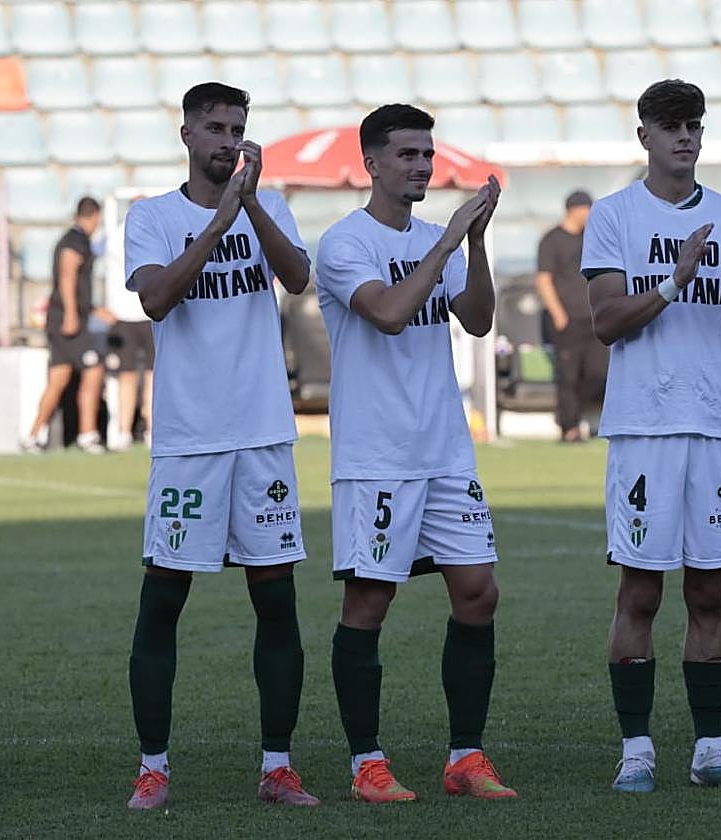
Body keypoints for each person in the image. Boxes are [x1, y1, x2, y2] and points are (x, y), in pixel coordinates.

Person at [122, 82, 319, 810]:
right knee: (163, 602)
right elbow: (155, 297)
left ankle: (277, 766)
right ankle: (153, 767)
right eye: (215, 128)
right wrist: (219, 222)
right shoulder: (152, 217)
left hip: (262, 434)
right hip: (190, 440)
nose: (228, 141)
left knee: (277, 603)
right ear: (186, 134)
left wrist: (252, 205)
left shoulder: (268, 205)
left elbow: (297, 277)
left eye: (237, 129)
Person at [315, 104, 516, 803]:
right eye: (407, 155)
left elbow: (479, 319)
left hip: (445, 451)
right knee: (369, 602)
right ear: (371, 163)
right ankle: (366, 764)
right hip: (376, 457)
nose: (422, 166)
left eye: (427, 155)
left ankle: (466, 757)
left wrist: (475, 244)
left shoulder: (441, 240)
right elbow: (390, 313)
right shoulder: (344, 243)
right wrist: (450, 241)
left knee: (478, 592)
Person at [582, 79, 721, 794]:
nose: (684, 136)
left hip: (716, 425)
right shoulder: (614, 216)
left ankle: (710, 750)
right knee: (639, 591)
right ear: (645, 137)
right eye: (670, 126)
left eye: (693, 124)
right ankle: (637, 750)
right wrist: (674, 279)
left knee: (710, 593)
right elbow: (606, 322)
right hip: (644, 428)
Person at [23, 197, 113, 453]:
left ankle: (33, 436)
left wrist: (93, 310)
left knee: (59, 378)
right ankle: (87, 434)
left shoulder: (76, 239)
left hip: (62, 318)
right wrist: (72, 314)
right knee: (94, 368)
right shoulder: (75, 241)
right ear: (94, 216)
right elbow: (67, 276)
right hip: (67, 321)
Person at [536, 190, 609, 442]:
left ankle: (581, 417)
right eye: (586, 209)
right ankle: (569, 428)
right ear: (574, 210)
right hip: (566, 321)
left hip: (595, 319)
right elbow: (543, 279)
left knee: (598, 373)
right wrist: (558, 315)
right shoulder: (551, 240)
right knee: (567, 376)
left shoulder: (594, 239)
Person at [104, 198, 155, 451]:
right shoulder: (119, 235)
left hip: (148, 312)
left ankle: (146, 428)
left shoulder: (118, 234)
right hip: (128, 313)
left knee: (149, 375)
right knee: (132, 375)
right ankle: (127, 429)